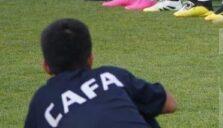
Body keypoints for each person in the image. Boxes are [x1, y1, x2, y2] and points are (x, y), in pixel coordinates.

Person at [24, 18, 176, 128]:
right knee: (142, 109)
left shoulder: (41, 101)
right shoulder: (112, 76)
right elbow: (170, 104)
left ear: (46, 67)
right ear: (90, 59)